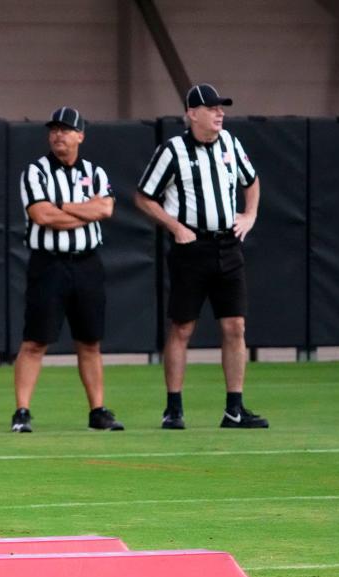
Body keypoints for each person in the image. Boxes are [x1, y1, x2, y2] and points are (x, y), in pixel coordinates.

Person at [134, 83, 268, 430]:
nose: (219, 113)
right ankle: (174, 407)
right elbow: (145, 197)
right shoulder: (173, 150)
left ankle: (234, 408)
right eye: (211, 108)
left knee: (235, 325)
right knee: (182, 327)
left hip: (228, 244)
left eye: (221, 108)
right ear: (192, 114)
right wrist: (175, 227)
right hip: (191, 248)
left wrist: (249, 215)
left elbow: (251, 181)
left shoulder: (230, 144)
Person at [11, 107, 124, 433]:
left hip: (87, 263)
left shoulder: (96, 173)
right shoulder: (36, 172)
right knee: (35, 341)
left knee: (90, 341)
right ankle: (22, 411)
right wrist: (82, 212)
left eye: (66, 129)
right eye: (54, 129)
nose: (59, 135)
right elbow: (42, 216)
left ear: (80, 135)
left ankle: (98, 410)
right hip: (48, 264)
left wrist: (61, 207)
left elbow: (106, 208)